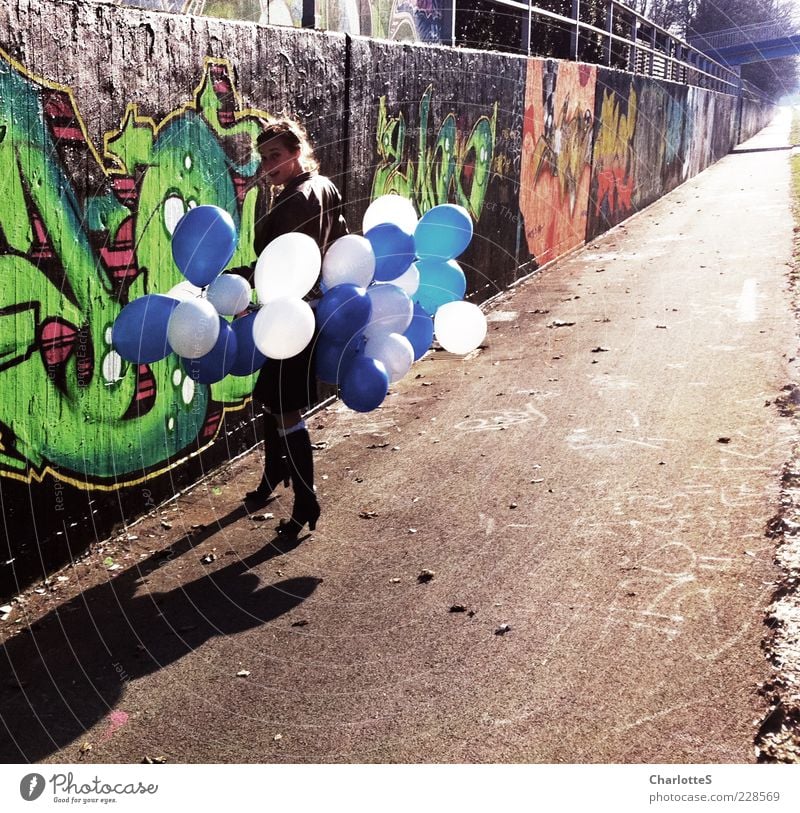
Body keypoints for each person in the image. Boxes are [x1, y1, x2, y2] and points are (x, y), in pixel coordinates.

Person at [245, 117, 348, 536]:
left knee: (284, 408)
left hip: (292, 315)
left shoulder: (296, 201)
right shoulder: (322, 186)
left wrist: (238, 280)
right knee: (271, 397)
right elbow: (339, 244)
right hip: (308, 310)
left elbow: (284, 266)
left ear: (296, 152)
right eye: (263, 158)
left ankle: (306, 502)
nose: (269, 165)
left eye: (276, 156)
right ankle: (274, 476)